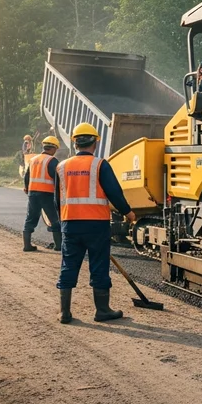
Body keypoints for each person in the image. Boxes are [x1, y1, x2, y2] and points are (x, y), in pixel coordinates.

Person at [54, 122, 136, 324]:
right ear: (95, 143)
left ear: (75, 143)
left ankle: (64, 312)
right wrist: (128, 213)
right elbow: (114, 192)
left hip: (70, 223)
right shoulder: (100, 165)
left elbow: (57, 199)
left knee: (68, 265)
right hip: (96, 225)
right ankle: (102, 310)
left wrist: (63, 220)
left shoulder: (61, 166)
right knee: (99, 264)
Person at [22, 135, 63, 253]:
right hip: (47, 194)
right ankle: (58, 246)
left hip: (32, 193)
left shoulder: (33, 159)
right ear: (54, 148)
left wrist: (27, 188)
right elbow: (57, 179)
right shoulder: (52, 161)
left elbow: (27, 176)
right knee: (54, 219)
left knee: (30, 218)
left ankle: (27, 245)